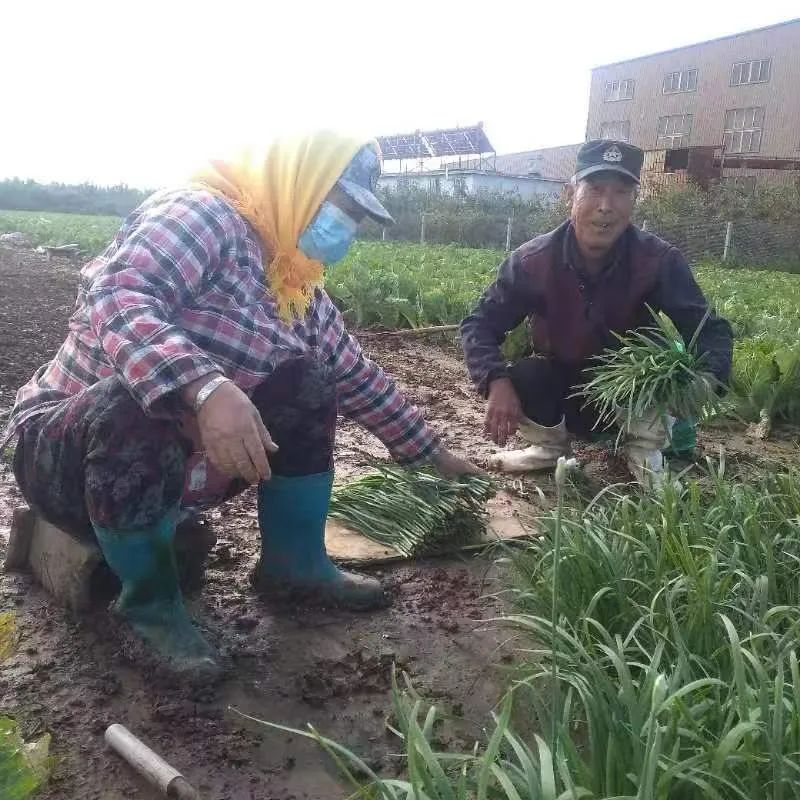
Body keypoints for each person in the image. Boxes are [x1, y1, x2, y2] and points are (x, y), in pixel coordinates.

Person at [1, 131, 479, 677]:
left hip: (173, 473)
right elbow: (119, 293)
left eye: (356, 217)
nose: (344, 228)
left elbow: (355, 376)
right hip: (65, 456)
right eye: (338, 206)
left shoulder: (293, 283)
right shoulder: (202, 216)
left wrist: (430, 455)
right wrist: (204, 386)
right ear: (298, 183)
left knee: (310, 380)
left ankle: (294, 565)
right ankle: (150, 608)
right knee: (136, 398)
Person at [460, 140, 733, 483]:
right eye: (595, 189)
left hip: (632, 394)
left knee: (655, 378)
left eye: (621, 192)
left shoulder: (658, 261)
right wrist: (494, 380)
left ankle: (643, 453)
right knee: (527, 375)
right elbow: (479, 324)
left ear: (634, 200)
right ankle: (549, 449)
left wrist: (706, 381)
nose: (606, 206)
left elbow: (710, 329)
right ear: (570, 194)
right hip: (563, 393)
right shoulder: (534, 261)